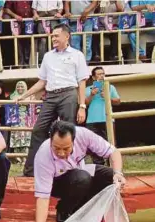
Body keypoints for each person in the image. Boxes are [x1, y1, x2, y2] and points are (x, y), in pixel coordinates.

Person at [33, 120, 126, 222]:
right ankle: (63, 209)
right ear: (50, 140)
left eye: (66, 148)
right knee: (81, 178)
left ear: (74, 141)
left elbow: (113, 152)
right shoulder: (43, 155)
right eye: (56, 148)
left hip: (79, 172)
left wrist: (118, 174)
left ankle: (87, 208)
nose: (61, 153)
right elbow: (42, 197)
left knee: (109, 175)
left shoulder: (84, 135)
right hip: (58, 183)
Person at [17, 23, 89, 177]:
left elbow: (82, 81)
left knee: (68, 131)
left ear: (66, 36)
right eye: (53, 35)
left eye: (56, 35)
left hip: (69, 94)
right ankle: (30, 171)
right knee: (38, 130)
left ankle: (71, 169)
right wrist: (24, 95)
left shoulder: (77, 55)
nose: (53, 38)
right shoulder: (48, 56)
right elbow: (41, 82)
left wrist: (82, 105)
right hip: (50, 96)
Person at [85, 67, 121, 165]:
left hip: (107, 119)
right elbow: (85, 103)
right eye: (99, 74)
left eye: (103, 74)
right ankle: (99, 167)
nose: (101, 76)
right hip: (92, 121)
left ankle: (113, 167)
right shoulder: (88, 89)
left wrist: (107, 97)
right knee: (93, 145)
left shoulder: (110, 87)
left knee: (110, 144)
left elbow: (118, 101)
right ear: (93, 77)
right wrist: (92, 95)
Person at [4, 1, 34, 67]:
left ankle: (26, 63)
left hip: (28, 21)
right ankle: (20, 63)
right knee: (18, 43)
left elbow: (35, 7)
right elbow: (6, 9)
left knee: (28, 42)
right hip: (17, 22)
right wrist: (15, 16)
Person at [8, 81, 32, 164]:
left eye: (22, 86)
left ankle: (25, 159)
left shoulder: (30, 96)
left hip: (26, 121)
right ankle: (18, 159)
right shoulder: (12, 96)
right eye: (18, 86)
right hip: (15, 121)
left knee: (25, 139)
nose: (20, 88)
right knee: (16, 139)